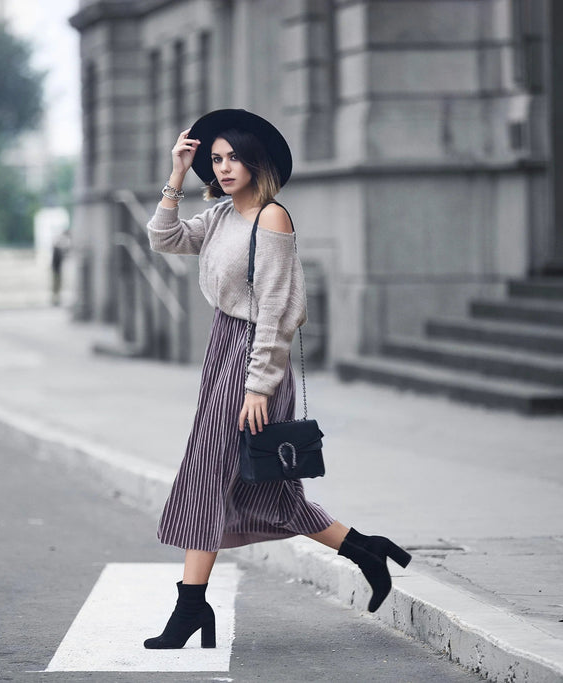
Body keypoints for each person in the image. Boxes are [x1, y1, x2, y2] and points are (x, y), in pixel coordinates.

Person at [143, 109, 411, 650]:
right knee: (267, 488)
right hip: (222, 351)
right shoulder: (220, 216)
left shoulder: (271, 219)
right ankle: (366, 549)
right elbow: (164, 238)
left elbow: (276, 310)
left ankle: (190, 610)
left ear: (256, 161)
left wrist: (259, 385)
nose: (223, 168)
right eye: (215, 159)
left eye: (233, 158)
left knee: (208, 475)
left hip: (252, 359)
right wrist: (176, 174)